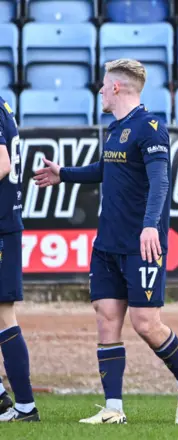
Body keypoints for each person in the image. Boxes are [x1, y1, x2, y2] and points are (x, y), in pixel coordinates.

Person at [33, 59, 178, 425]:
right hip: (108, 242)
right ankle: (114, 408)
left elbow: (160, 183)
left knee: (146, 324)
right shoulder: (115, 129)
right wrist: (64, 174)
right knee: (106, 318)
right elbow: (105, 169)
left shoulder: (151, 128)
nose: (99, 91)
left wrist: (150, 227)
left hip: (142, 244)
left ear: (117, 88)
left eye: (104, 85)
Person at [0, 97, 40, 422]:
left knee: (3, 315)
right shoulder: (3, 105)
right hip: (5, 223)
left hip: (1, 226)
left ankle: (25, 407)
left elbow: (2, 163)